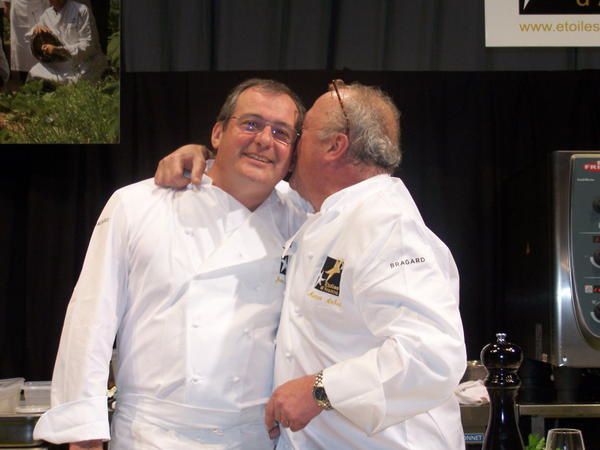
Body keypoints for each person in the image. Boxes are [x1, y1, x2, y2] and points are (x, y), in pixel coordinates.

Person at [155, 80, 467, 449]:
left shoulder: (388, 228)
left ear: (335, 146)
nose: (287, 146)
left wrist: (320, 390)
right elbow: (244, 181)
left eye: (300, 134)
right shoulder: (323, 215)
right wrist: (206, 158)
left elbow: (433, 355)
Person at [33, 78, 307, 449]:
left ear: (293, 153)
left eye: (281, 133)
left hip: (255, 437)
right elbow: (90, 321)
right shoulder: (138, 204)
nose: (264, 140)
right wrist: (83, 436)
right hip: (152, 435)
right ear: (217, 133)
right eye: (251, 124)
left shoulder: (304, 220)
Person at [25, 0, 107, 84]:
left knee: (76, 83)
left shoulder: (81, 11)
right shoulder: (47, 14)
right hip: (58, 65)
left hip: (83, 64)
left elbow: (88, 46)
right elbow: (33, 41)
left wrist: (58, 50)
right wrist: (36, 30)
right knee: (34, 73)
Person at [6, 0, 48, 82]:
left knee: (40, 43)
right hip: (18, 10)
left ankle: (41, 81)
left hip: (39, 7)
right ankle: (24, 81)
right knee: (21, 50)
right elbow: (7, 5)